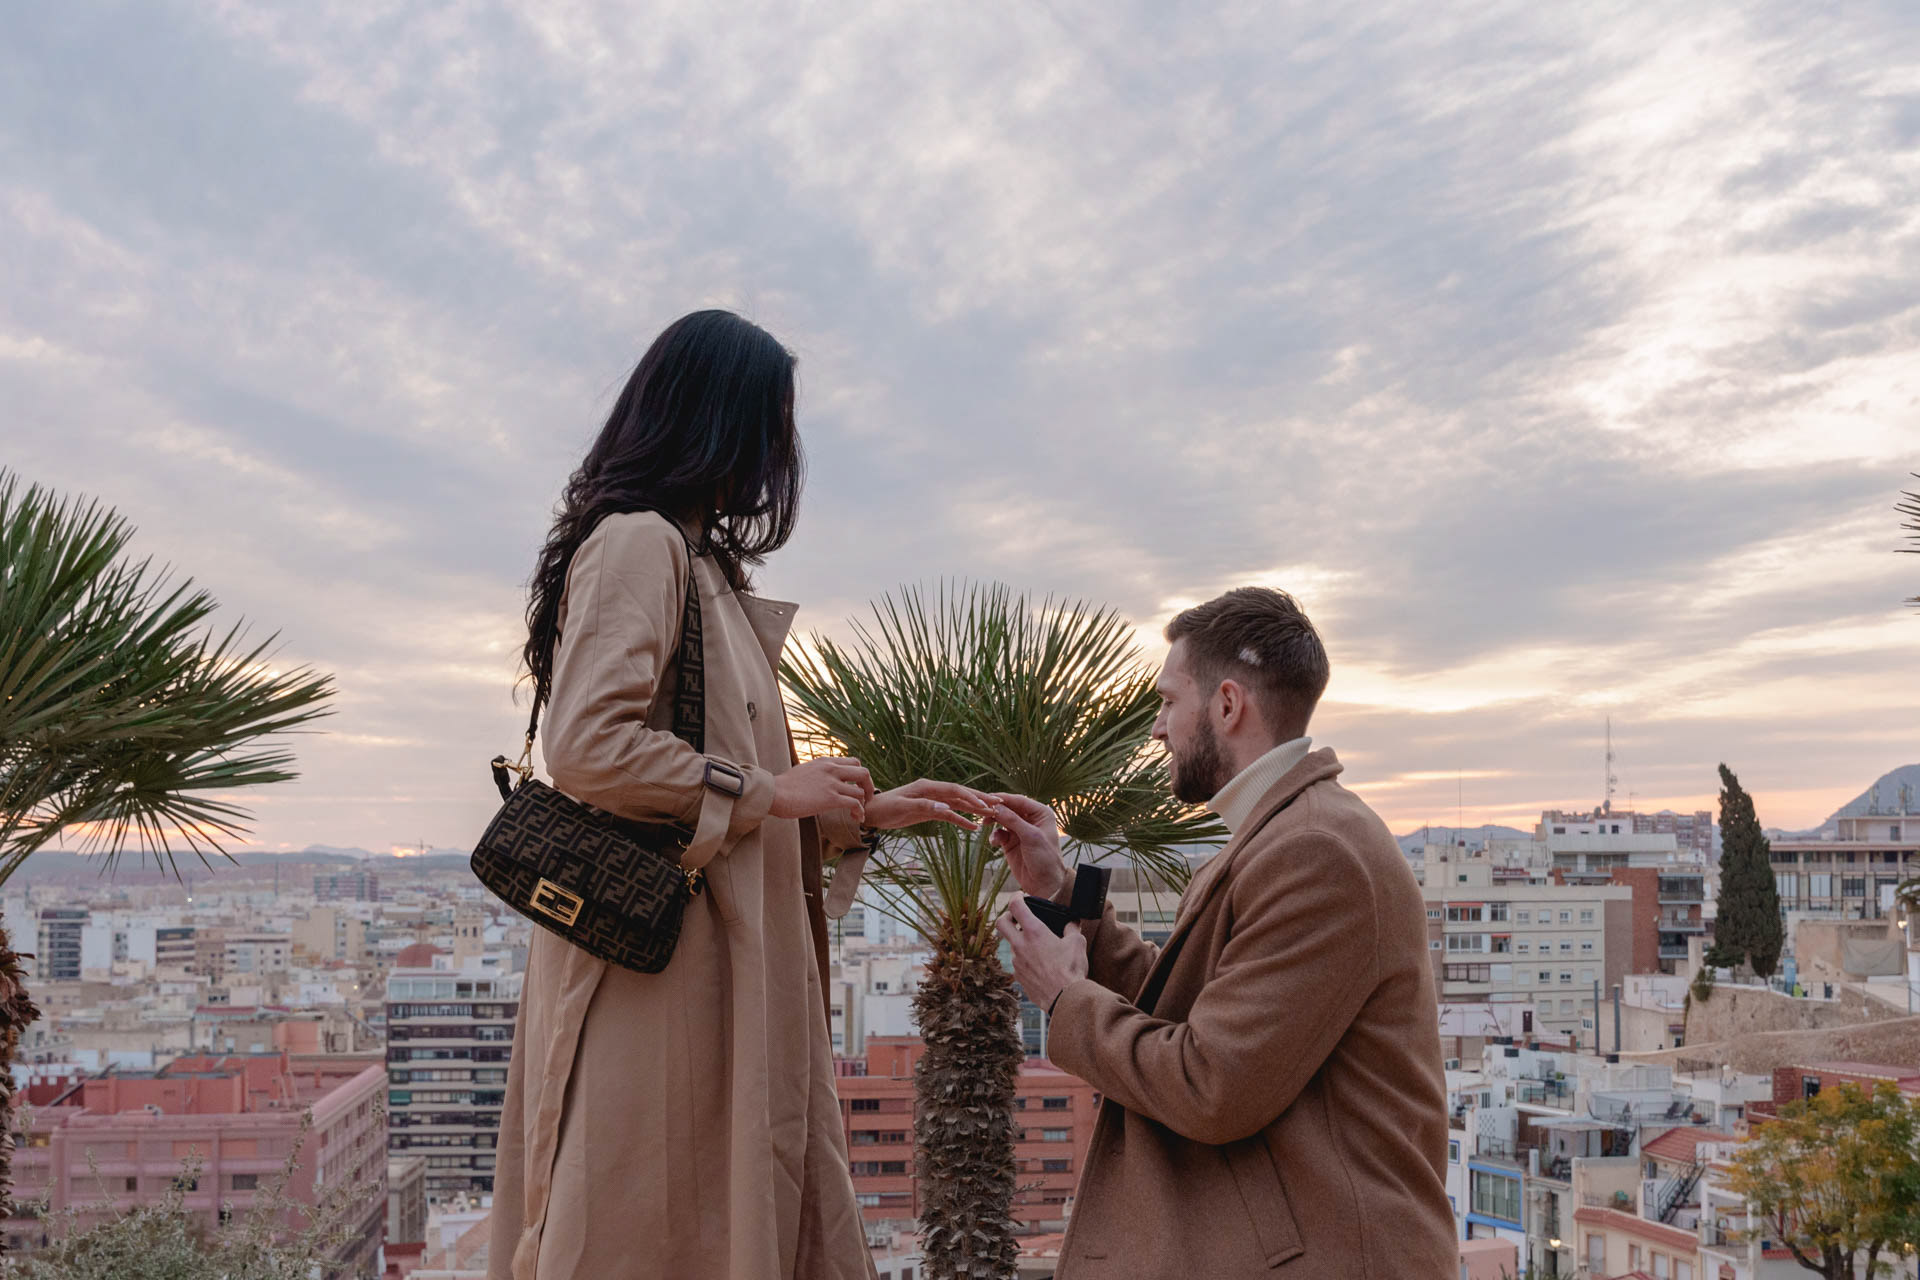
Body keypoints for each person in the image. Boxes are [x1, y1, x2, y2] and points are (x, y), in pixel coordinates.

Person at [489, 311, 986, 1280]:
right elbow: (586, 745)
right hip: (663, 970)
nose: (780, 450)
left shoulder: (699, 561)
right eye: (772, 420)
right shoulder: (638, 543)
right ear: (719, 419)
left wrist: (853, 810)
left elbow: (727, 773)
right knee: (653, 1219)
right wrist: (770, 789)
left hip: (720, 958)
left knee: (722, 1209)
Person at [990, 587, 1456, 1278]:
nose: (1157, 729)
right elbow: (1191, 1005)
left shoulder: (1316, 850)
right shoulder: (1281, 836)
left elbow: (1211, 1083)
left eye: (1168, 702)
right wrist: (1060, 890)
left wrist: (1065, 999)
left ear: (1228, 705)